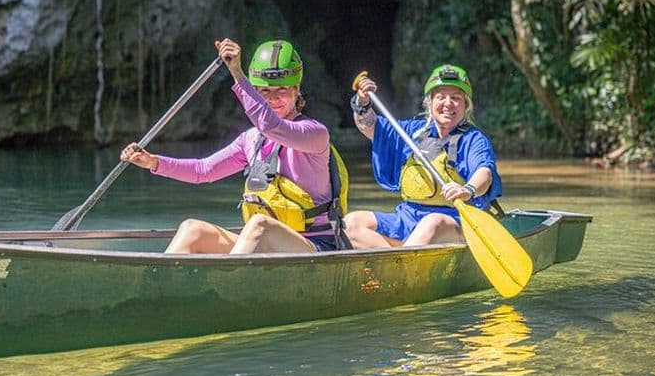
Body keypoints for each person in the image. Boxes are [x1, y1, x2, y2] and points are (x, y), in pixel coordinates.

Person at [120, 38, 349, 254]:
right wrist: (153, 162)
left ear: (297, 89)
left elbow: (270, 125)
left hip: (315, 245)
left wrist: (236, 72)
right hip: (265, 244)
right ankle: (159, 284)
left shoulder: (315, 134)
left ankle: (230, 286)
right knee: (193, 229)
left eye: (282, 90)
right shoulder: (250, 140)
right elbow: (203, 171)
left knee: (260, 225)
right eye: (264, 91)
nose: (273, 98)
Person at [345, 64, 502, 247]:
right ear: (430, 102)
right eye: (441, 97)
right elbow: (369, 127)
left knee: (433, 222)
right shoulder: (412, 132)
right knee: (351, 223)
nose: (448, 103)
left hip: (456, 220)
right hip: (408, 216)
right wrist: (362, 103)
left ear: (466, 105)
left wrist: (467, 190)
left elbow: (485, 173)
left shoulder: (473, 139)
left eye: (456, 98)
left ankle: (403, 262)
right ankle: (397, 262)